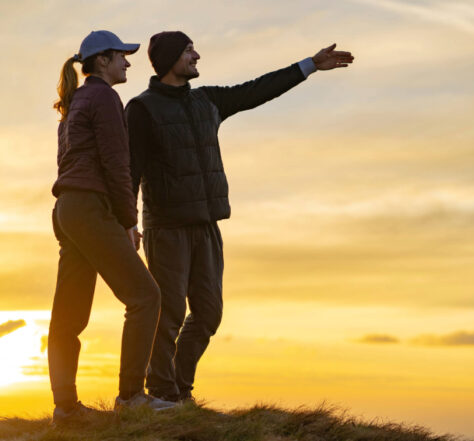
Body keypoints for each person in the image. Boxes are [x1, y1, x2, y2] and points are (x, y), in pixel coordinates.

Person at [125, 31, 354, 403]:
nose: (197, 55)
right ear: (169, 58)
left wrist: (309, 65)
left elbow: (256, 90)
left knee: (209, 314)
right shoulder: (142, 108)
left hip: (207, 223)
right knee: (167, 314)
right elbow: (130, 168)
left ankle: (178, 389)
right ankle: (164, 393)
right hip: (166, 227)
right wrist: (128, 221)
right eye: (188, 50)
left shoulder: (208, 100)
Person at [48, 30, 175, 424]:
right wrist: (127, 222)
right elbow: (117, 164)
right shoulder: (103, 96)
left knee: (68, 316)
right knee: (146, 297)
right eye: (122, 55)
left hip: (67, 210)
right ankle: (132, 396)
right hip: (89, 209)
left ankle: (65, 409)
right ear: (102, 60)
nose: (128, 62)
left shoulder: (75, 102)